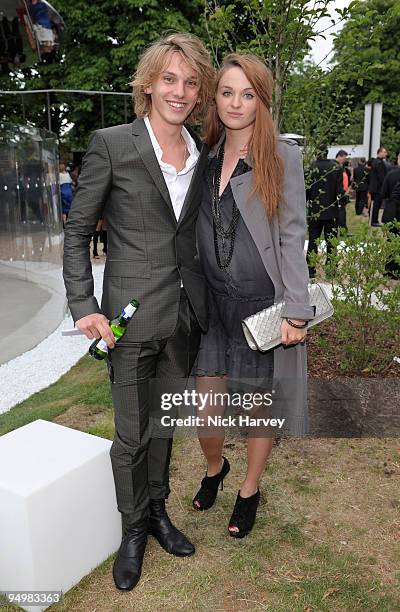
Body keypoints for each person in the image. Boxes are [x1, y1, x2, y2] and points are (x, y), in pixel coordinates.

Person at [63, 33, 215, 590]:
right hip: (127, 319)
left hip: (184, 318)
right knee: (131, 434)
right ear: (148, 84)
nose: (179, 91)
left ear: (199, 93)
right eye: (169, 79)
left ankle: (157, 512)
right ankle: (132, 530)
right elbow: (78, 231)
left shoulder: (203, 151)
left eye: (190, 82)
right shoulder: (112, 144)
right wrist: (83, 304)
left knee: (164, 424)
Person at [191, 54, 314, 538]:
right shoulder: (205, 156)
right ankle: (215, 467)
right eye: (227, 93)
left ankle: (249, 488)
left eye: (247, 94)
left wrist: (298, 312)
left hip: (261, 308)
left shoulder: (281, 157)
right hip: (213, 306)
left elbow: (291, 237)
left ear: (261, 99)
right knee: (207, 408)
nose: (236, 103)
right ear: (214, 99)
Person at [306, 144, 344, 278]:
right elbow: (340, 191)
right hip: (331, 210)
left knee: (313, 240)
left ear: (316, 153)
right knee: (331, 242)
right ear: (327, 153)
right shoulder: (336, 167)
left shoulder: (310, 168)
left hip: (315, 210)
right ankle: (331, 270)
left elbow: (307, 190)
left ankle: (310, 269)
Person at [369, 146, 388, 226]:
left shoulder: (375, 161)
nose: (386, 154)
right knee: (376, 204)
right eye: (384, 152)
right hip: (378, 188)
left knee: (375, 204)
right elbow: (381, 177)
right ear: (380, 152)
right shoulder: (379, 163)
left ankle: (373, 220)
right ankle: (374, 221)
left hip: (374, 187)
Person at [335, 150, 349, 230]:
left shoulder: (341, 166)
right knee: (341, 210)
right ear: (339, 156)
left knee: (342, 210)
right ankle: (342, 226)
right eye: (344, 158)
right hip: (339, 192)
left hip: (343, 191)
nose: (345, 160)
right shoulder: (336, 167)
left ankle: (342, 226)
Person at [59, 161, 73, 226]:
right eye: (60, 165)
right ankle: (65, 223)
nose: (61, 166)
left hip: (68, 193)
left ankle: (67, 222)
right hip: (63, 192)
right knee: (64, 209)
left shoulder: (68, 174)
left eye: (62, 165)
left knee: (68, 209)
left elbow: (71, 182)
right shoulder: (59, 174)